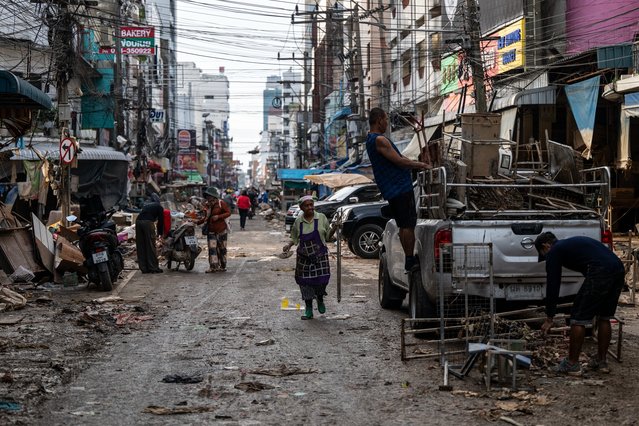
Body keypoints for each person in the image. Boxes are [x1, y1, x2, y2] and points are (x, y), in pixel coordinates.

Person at [534, 232, 624, 375]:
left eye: (543, 253)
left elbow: (553, 284)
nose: (546, 257)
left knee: (577, 317)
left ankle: (572, 363)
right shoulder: (570, 245)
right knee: (605, 316)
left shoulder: (555, 251)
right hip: (618, 268)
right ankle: (601, 362)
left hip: (600, 270)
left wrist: (549, 317)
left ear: (546, 245)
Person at [366, 107, 431, 271]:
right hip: (399, 188)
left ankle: (409, 258)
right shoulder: (379, 140)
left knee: (404, 224)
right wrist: (422, 165)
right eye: (386, 119)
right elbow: (400, 162)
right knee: (407, 224)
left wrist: (415, 161)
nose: (387, 122)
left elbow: (401, 158)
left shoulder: (371, 139)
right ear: (380, 119)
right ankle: (409, 259)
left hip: (394, 188)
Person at [283, 195, 331, 320]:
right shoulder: (298, 221)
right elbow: (294, 237)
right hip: (304, 258)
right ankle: (308, 308)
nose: (310, 207)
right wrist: (288, 245)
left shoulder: (321, 218)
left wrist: (336, 227)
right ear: (301, 208)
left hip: (320, 256)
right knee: (305, 284)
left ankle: (320, 299)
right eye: (307, 205)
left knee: (322, 281)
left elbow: (329, 237)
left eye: (311, 204)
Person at [200, 187, 231, 273]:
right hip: (211, 230)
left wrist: (218, 217)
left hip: (222, 230)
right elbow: (205, 217)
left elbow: (228, 213)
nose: (208, 198)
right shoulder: (206, 205)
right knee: (212, 249)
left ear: (214, 196)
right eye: (207, 196)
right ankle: (213, 267)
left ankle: (223, 265)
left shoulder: (221, 203)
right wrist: (197, 222)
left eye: (209, 196)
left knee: (222, 249)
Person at [135, 193, 164, 274]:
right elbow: (160, 222)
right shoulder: (159, 207)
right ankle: (153, 268)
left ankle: (144, 268)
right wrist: (160, 233)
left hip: (138, 222)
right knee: (150, 245)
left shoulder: (147, 205)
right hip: (148, 223)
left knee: (141, 245)